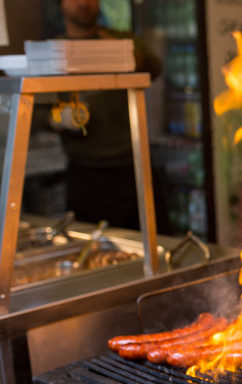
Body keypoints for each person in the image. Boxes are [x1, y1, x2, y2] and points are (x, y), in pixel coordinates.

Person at [51, 0, 162, 230]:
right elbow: (31, 111)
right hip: (86, 174)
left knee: (152, 243)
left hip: (134, 167)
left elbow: (154, 67)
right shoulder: (52, 53)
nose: (84, 2)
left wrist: (118, 49)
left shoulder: (121, 40)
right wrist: (56, 118)